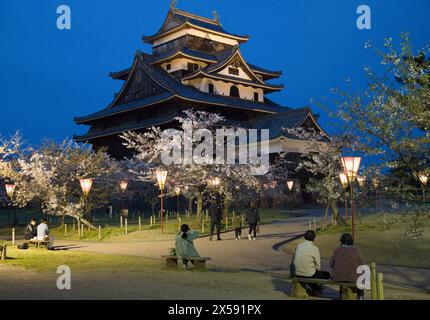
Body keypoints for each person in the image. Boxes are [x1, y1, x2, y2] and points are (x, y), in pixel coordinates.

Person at [293, 230, 330, 296]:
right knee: (327, 275)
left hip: (297, 272)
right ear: (314, 238)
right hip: (309, 274)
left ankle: (313, 289)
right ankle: (316, 289)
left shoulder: (299, 245)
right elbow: (318, 267)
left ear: (304, 237)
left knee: (313, 274)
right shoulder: (314, 248)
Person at [330, 233, 365, 300]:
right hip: (352, 278)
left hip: (337, 278)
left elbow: (331, 264)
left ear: (341, 241)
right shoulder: (355, 250)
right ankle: (360, 295)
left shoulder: (337, 250)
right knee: (359, 278)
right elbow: (361, 265)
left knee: (342, 273)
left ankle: (341, 293)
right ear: (351, 241)